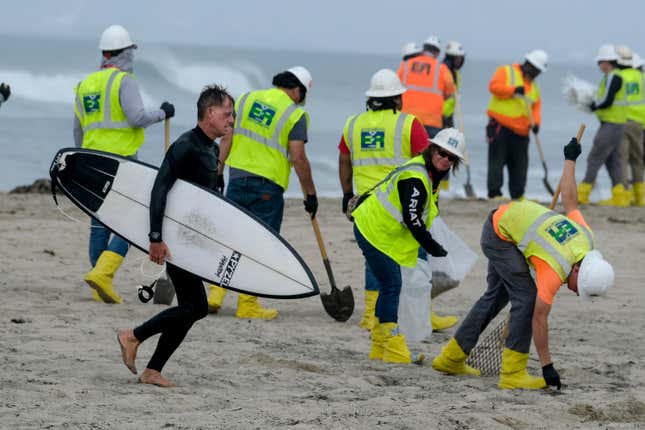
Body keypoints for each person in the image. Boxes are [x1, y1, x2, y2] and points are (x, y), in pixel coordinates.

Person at [432, 137, 615, 390]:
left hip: (512, 225)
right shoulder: (555, 269)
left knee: (495, 297)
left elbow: (570, 202)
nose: (574, 291)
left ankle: (450, 358)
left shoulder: (586, 238)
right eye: (577, 286)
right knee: (527, 299)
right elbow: (539, 318)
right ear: (576, 268)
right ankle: (513, 373)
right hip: (499, 235)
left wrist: (570, 160)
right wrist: (547, 366)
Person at [117, 84, 235, 387]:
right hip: (174, 240)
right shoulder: (186, 145)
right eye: (227, 113)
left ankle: (152, 369)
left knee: (192, 308)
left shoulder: (210, 147)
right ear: (209, 113)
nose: (231, 120)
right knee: (195, 307)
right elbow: (159, 189)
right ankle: (133, 337)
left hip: (192, 239)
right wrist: (155, 237)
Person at [338, 68, 458, 332]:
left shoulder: (353, 123)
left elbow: (344, 160)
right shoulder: (408, 123)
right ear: (397, 99)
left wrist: (346, 194)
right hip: (398, 198)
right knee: (417, 257)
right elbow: (426, 163)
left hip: (365, 202)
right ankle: (420, 311)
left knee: (375, 257)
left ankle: (371, 313)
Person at [206, 66, 317, 319]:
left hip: (237, 178)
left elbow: (226, 137)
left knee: (230, 237)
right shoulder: (295, 114)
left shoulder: (246, 100)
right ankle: (247, 303)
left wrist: (219, 170)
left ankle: (215, 294)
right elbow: (299, 157)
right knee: (260, 244)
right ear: (297, 91)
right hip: (268, 186)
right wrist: (310, 194)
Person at [74, 25, 174, 304]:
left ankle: (98, 278)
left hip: (92, 161)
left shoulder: (85, 84)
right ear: (125, 53)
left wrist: (82, 159)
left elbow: (78, 130)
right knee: (133, 220)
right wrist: (163, 112)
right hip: (121, 162)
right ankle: (103, 274)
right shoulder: (123, 81)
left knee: (99, 219)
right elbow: (136, 117)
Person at [351, 127, 466, 364]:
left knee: (389, 285)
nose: (444, 160)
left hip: (382, 232)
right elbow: (412, 218)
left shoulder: (430, 175)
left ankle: (380, 346)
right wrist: (431, 245)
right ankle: (392, 347)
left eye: (451, 158)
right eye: (442, 153)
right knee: (392, 285)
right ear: (432, 149)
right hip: (372, 230)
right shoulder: (416, 177)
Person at [486, 49, 548, 200]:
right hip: (500, 126)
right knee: (497, 161)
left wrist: (536, 123)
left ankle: (518, 195)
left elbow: (536, 107)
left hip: (522, 131)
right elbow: (493, 87)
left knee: (520, 166)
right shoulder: (506, 71)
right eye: (535, 69)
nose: (535, 74)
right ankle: (495, 193)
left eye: (538, 71)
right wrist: (513, 90)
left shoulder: (534, 86)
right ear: (528, 64)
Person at [577, 44, 627, 206]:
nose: (599, 65)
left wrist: (593, 106)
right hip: (616, 123)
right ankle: (619, 196)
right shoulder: (612, 76)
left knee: (595, 157)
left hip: (611, 124)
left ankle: (583, 194)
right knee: (613, 160)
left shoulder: (614, 76)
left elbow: (607, 100)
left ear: (607, 61)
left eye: (600, 62)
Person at [397, 35, 456, 138]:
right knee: (427, 153)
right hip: (432, 122)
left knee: (406, 152)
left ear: (423, 49)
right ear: (437, 53)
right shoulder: (442, 69)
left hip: (406, 120)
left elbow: (394, 88)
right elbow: (450, 94)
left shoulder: (405, 65)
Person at [615, 46, 645, 206]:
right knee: (638, 159)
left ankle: (624, 196)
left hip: (621, 121)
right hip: (639, 123)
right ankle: (640, 197)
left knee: (622, 159)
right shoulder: (641, 77)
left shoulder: (618, 77)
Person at [442, 41, 466, 129]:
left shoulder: (456, 73)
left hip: (449, 114)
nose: (459, 61)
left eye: (460, 58)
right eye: (457, 58)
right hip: (439, 114)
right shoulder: (442, 71)